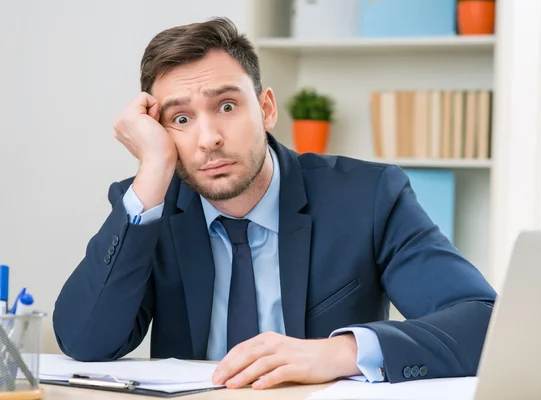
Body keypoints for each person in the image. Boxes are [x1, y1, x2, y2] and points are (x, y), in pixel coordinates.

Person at [53, 17, 497, 390]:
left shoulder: (368, 196)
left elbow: (485, 323)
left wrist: (341, 352)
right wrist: (151, 171)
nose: (209, 139)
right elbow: (85, 341)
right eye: (181, 119)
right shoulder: (151, 206)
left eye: (226, 106)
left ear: (266, 109)